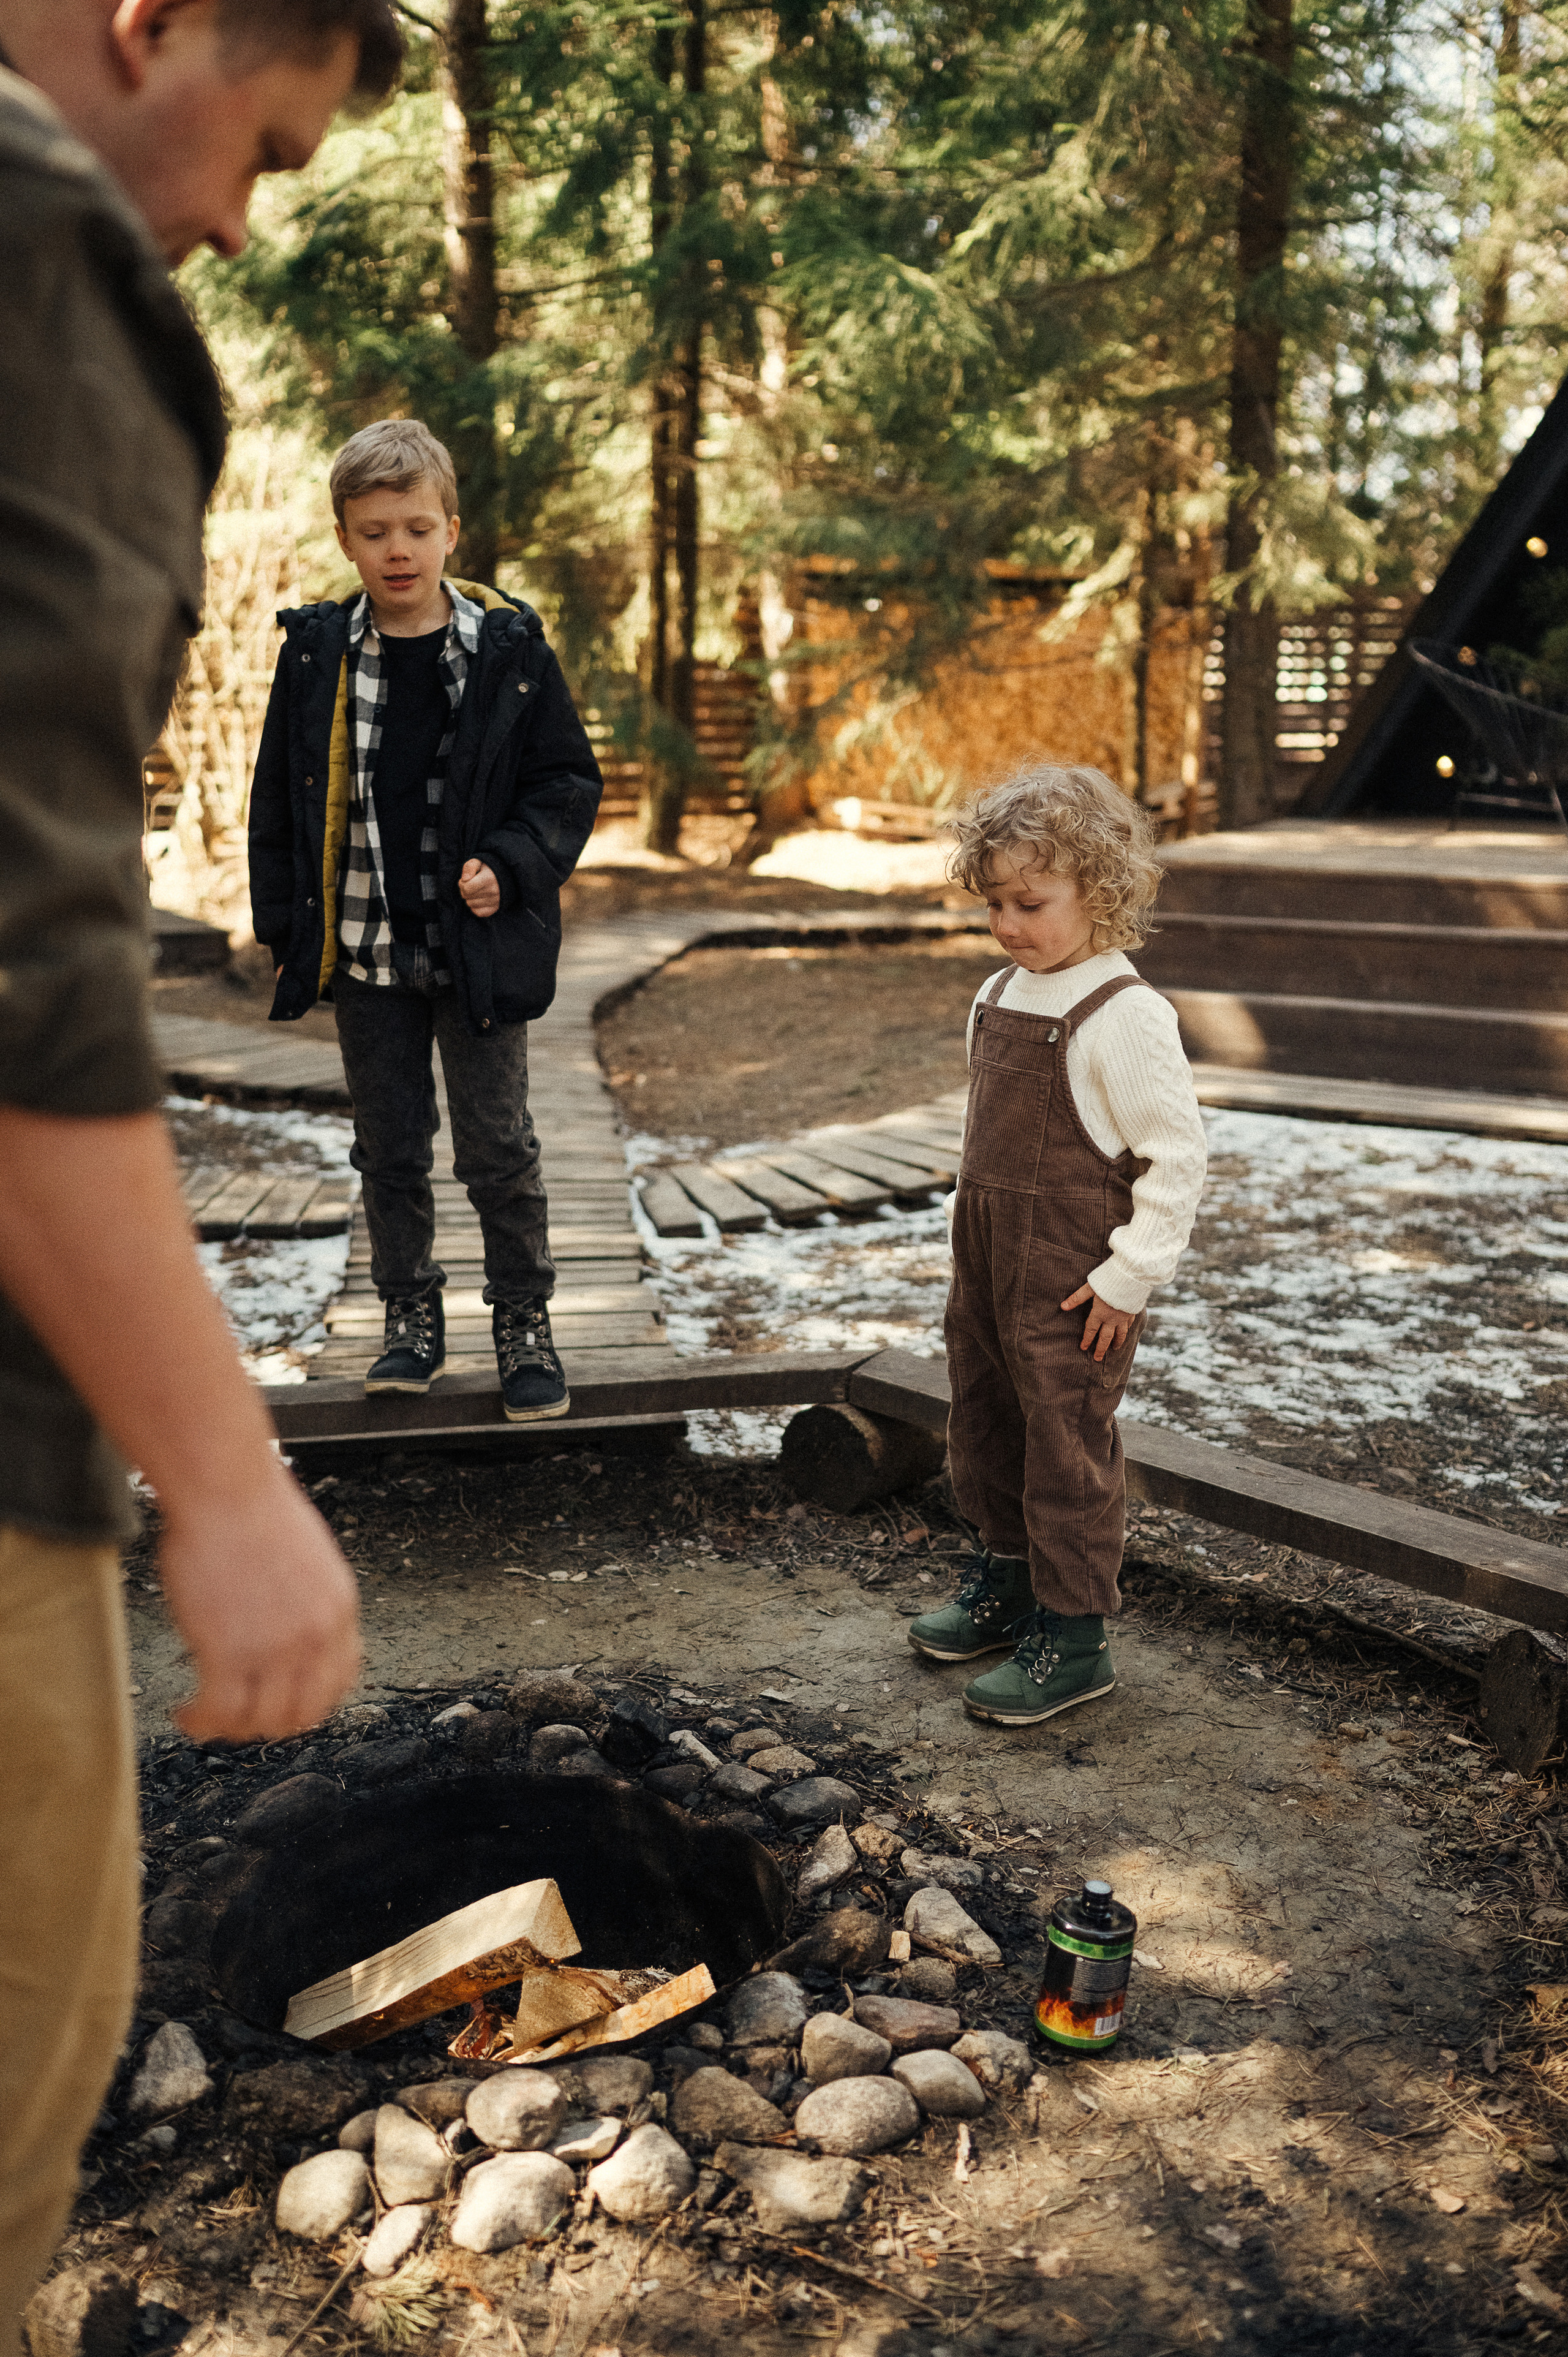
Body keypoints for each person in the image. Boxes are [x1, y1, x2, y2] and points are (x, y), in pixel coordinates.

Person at [0, 4, 401, 2349]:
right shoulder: (42, 254)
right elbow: (23, 965)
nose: (237, 217)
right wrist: (226, 1480)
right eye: (260, 137)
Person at [248, 419, 604, 1421]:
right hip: (365, 949)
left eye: (414, 527)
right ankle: (409, 1319)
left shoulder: (507, 650)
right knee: (389, 1147)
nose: (395, 550)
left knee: (497, 1146)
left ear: (452, 530)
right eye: (373, 532)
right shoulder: (319, 654)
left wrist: (514, 863)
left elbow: (567, 782)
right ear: (346, 540)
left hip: (476, 953)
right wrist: (285, 926)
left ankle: (523, 1322)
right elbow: (277, 796)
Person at [908, 765, 1208, 1725]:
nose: (1006, 923)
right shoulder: (1001, 993)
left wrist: (1130, 1278)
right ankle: (1007, 1579)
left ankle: (1075, 1634)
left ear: (1102, 890)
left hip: (1077, 1286)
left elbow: (1177, 1160)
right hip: (988, 1266)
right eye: (993, 901)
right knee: (986, 1419)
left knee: (1066, 1448)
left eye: (1030, 903)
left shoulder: (1124, 1015)